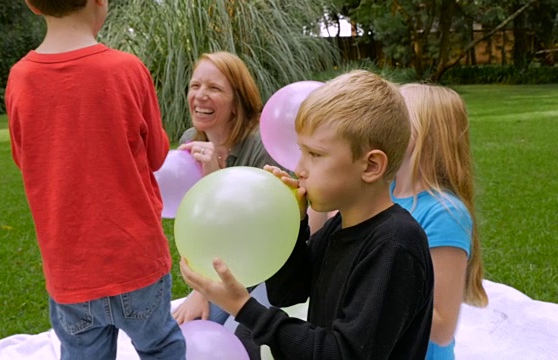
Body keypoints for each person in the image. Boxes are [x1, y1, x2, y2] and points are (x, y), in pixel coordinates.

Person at [180, 70, 435, 359]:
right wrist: (295, 223)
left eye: (315, 155)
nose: (299, 168)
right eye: (302, 152)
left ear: (371, 166)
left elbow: (343, 353)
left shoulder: (395, 244)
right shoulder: (341, 226)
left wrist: (243, 307)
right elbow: (288, 292)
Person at [5, 1, 185, 359]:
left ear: (31, 4)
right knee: (160, 346)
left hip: (70, 271)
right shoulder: (127, 70)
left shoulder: (20, 79)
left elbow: (25, 160)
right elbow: (156, 156)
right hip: (136, 259)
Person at [172, 51, 279, 325]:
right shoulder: (189, 142)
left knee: (208, 331)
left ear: (237, 103)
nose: (200, 95)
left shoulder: (261, 148)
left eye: (214, 88)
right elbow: (197, 228)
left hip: (264, 268)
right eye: (195, 86)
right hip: (219, 266)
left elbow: (261, 234)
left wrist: (204, 292)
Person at [394, 84, 489, 360]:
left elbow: (442, 327)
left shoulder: (444, 213)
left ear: (426, 135)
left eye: (395, 116)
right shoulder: (382, 193)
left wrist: (374, 294)